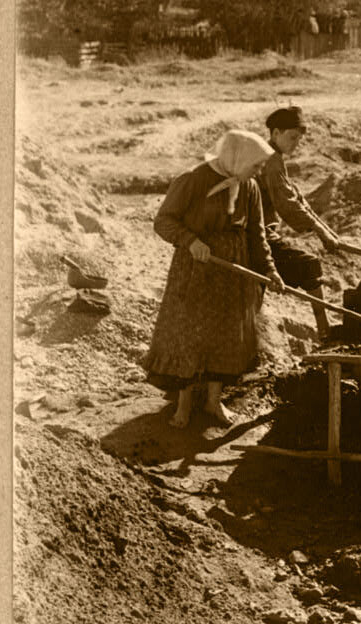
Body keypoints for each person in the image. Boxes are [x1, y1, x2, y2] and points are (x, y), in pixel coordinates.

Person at [144, 130, 285, 428]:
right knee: (191, 332)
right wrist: (190, 241)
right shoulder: (193, 179)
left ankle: (213, 402)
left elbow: (257, 235)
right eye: (256, 165)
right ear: (238, 157)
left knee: (225, 336)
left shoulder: (250, 187)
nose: (258, 171)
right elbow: (163, 221)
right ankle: (182, 407)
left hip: (232, 274)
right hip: (196, 269)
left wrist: (270, 270)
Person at [259, 106, 340, 337]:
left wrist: (324, 229)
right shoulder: (270, 161)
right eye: (292, 137)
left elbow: (296, 196)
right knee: (309, 265)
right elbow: (288, 204)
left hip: (262, 230)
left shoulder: (274, 158)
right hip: (257, 234)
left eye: (299, 139)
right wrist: (321, 232)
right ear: (275, 133)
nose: (296, 143)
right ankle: (324, 330)